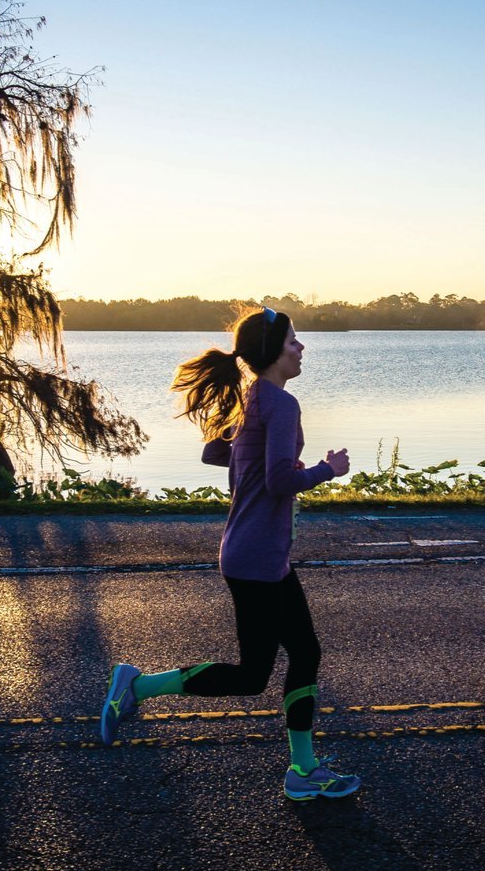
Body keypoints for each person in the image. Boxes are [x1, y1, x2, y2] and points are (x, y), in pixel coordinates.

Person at [98, 307, 361, 801]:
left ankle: (303, 769)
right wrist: (327, 469)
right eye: (293, 342)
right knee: (256, 673)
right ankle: (135, 688)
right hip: (258, 559)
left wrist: (260, 452)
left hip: (256, 555)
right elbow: (280, 480)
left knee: (299, 654)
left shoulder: (254, 398)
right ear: (273, 353)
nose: (301, 349)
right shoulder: (280, 405)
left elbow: (214, 453)